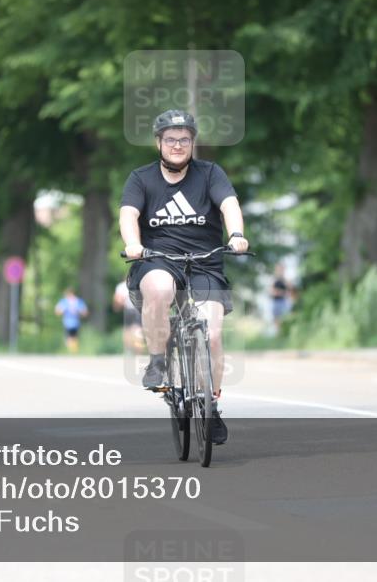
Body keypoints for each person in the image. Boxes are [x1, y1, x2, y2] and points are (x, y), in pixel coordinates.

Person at [120, 108, 250, 445]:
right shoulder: (141, 178)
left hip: (205, 263)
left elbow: (230, 205)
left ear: (193, 143)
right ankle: (158, 361)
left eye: (185, 140)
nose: (178, 145)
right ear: (158, 143)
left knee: (214, 334)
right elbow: (128, 214)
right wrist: (133, 243)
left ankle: (211, 406)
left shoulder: (210, 174)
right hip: (158, 260)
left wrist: (236, 234)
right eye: (171, 140)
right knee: (160, 290)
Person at [113, 280, 144, 354]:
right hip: (136, 308)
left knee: (127, 330)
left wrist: (116, 308)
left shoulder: (120, 286)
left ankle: (129, 350)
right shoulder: (139, 283)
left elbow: (117, 300)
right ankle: (138, 351)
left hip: (127, 309)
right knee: (137, 330)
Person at [55, 287, 88, 353]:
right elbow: (57, 311)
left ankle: (74, 352)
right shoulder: (64, 301)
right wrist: (63, 310)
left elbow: (85, 312)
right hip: (67, 323)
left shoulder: (78, 301)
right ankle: (71, 351)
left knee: (75, 338)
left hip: (76, 323)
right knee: (68, 338)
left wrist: (78, 311)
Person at [269, 263, 293, 333]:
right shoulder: (273, 279)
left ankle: (284, 333)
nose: (280, 271)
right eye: (279, 269)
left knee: (285, 319)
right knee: (277, 321)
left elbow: (290, 291)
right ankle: (279, 334)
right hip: (275, 302)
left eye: (282, 269)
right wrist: (282, 292)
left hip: (284, 302)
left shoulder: (285, 280)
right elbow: (272, 292)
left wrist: (280, 292)